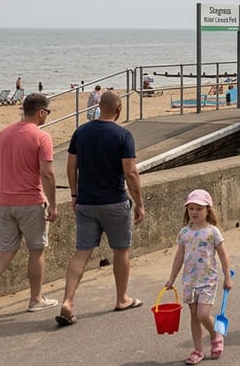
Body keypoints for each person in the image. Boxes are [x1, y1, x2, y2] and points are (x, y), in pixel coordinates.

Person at [56, 90, 146, 326]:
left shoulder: (81, 132)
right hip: (114, 202)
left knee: (81, 252)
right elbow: (130, 172)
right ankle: (122, 298)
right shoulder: (123, 135)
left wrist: (74, 194)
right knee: (121, 250)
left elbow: (71, 166)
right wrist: (139, 203)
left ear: (98, 108)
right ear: (119, 109)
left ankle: (68, 301)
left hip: (86, 202)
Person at [0, 93, 58, 322]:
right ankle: (35, 299)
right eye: (47, 112)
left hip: (4, 203)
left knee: (5, 251)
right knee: (36, 249)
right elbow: (47, 174)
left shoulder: (3, 134)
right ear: (41, 112)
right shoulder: (42, 137)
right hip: (30, 202)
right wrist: (53, 204)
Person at [164, 189, 233, 364]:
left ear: (208, 210)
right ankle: (198, 350)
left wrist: (227, 277)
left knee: (203, 315)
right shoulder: (184, 233)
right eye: (191, 208)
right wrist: (172, 278)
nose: (194, 212)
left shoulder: (213, 232)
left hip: (208, 280)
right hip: (189, 281)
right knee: (194, 317)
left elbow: (223, 256)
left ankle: (215, 334)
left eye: (199, 209)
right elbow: (179, 257)